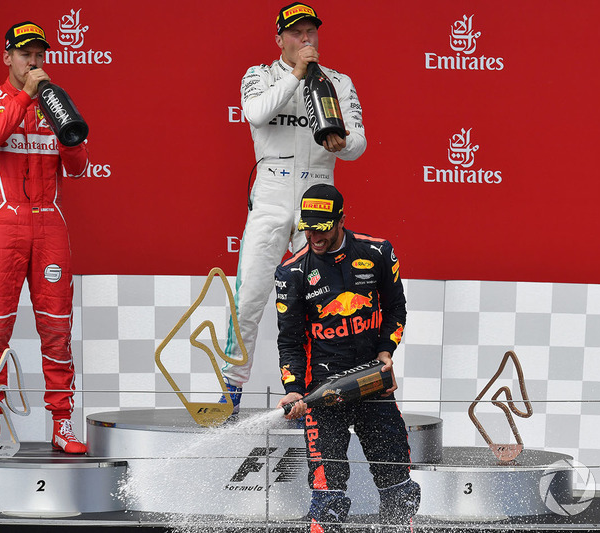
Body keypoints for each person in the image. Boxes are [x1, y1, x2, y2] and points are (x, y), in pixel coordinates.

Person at [219, 2, 366, 413]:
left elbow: (359, 143)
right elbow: (255, 113)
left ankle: (326, 391)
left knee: (326, 298)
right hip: (270, 194)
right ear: (280, 39)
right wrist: (298, 75)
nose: (306, 39)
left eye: (311, 32)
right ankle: (231, 390)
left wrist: (342, 143)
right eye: (297, 33)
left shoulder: (339, 81)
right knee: (248, 295)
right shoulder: (260, 76)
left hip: (318, 196)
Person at [275, 184, 420, 532]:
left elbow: (396, 308)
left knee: (398, 483)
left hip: (373, 383)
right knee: (328, 496)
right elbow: (290, 341)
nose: (314, 236)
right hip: (322, 394)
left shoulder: (378, 252)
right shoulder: (292, 272)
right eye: (308, 228)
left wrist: (387, 350)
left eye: (322, 228)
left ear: (341, 219)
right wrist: (294, 388)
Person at [0, 21, 89, 455]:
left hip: (50, 225)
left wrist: (60, 117)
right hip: (3, 225)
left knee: (57, 329)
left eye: (39, 54)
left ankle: (62, 424)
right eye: (25, 54)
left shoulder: (54, 103)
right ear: (7, 57)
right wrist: (27, 95)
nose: (33, 61)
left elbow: (80, 165)